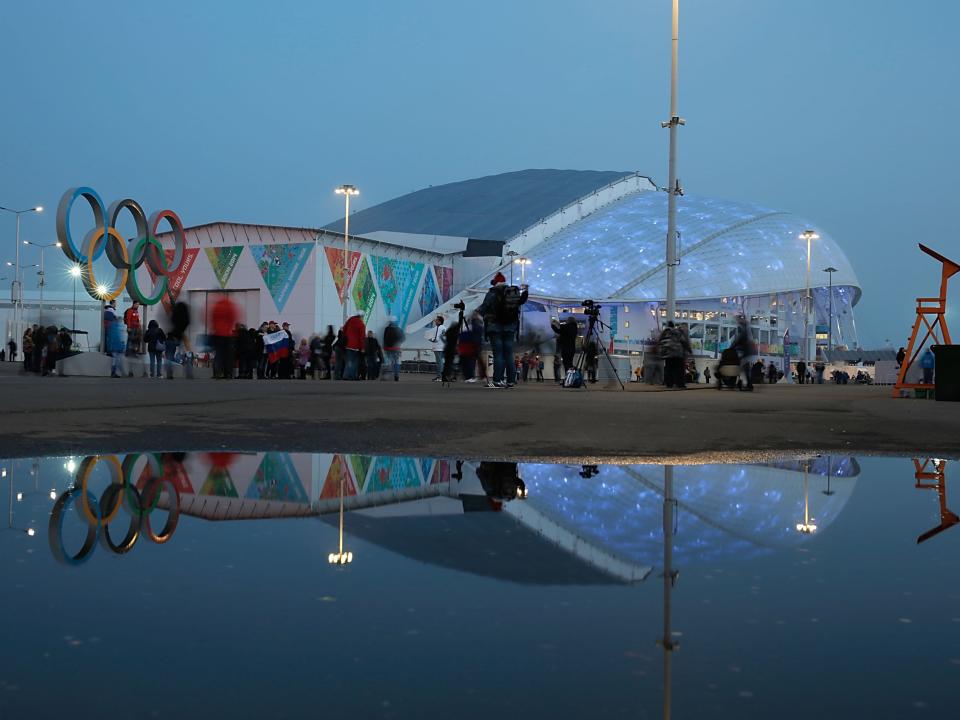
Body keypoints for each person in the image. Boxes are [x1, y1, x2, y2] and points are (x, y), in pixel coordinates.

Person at [478, 272, 528, 388]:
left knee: (498, 354)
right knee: (509, 354)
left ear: (495, 283)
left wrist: (476, 314)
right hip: (510, 327)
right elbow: (519, 305)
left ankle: (497, 380)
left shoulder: (492, 293)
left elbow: (484, 307)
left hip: (495, 327)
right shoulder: (511, 293)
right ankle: (511, 380)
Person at [210, 294, 238, 379]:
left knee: (218, 355)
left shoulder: (216, 306)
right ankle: (228, 373)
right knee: (228, 356)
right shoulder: (230, 305)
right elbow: (233, 317)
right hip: (227, 334)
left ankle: (218, 372)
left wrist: (214, 329)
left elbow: (212, 319)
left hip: (218, 334)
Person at [165, 300, 193, 379]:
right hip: (181, 336)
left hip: (171, 336)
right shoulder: (185, 318)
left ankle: (169, 372)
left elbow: (170, 323)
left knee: (170, 355)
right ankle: (189, 373)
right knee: (186, 355)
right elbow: (187, 322)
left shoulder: (173, 315)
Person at [658, 321, 689, 389]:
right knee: (679, 370)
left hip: (668, 354)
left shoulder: (664, 332)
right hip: (678, 353)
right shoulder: (677, 332)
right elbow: (683, 341)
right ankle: (680, 384)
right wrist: (689, 350)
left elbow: (659, 341)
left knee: (669, 369)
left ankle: (669, 384)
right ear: (673, 326)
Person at [730, 315, 756, 391]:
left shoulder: (744, 331)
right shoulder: (747, 330)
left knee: (744, 368)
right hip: (748, 352)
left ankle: (748, 384)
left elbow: (738, 340)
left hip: (746, 352)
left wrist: (732, 347)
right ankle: (747, 383)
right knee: (745, 368)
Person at [457, 310, 481, 383]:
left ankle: (468, 376)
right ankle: (469, 376)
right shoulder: (474, 324)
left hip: (467, 344)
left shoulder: (471, 324)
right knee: (469, 361)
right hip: (469, 344)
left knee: (468, 361)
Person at [103, 300, 125, 378]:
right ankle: (116, 372)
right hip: (115, 346)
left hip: (113, 345)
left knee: (115, 359)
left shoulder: (110, 324)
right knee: (116, 359)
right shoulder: (114, 325)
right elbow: (117, 337)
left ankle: (115, 372)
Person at [123, 300, 142, 377]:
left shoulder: (136, 311)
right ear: (134, 304)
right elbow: (128, 319)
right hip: (132, 328)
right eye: (137, 304)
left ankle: (134, 351)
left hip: (136, 328)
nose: (138, 306)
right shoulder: (130, 311)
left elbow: (138, 319)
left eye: (138, 304)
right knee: (130, 339)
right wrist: (129, 327)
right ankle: (128, 352)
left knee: (135, 340)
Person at [343, 314, 366, 380]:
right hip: (356, 346)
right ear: (361, 317)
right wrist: (362, 348)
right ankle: (352, 376)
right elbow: (362, 338)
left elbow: (344, 329)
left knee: (349, 361)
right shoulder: (361, 324)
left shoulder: (350, 320)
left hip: (348, 345)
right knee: (354, 362)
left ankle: (346, 375)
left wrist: (346, 336)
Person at [425, 314, 446, 382]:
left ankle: (439, 377)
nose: (435, 321)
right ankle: (441, 376)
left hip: (437, 347)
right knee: (441, 362)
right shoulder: (444, 328)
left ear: (439, 322)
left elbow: (436, 338)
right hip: (442, 346)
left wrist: (430, 339)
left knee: (439, 362)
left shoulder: (438, 328)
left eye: (436, 320)